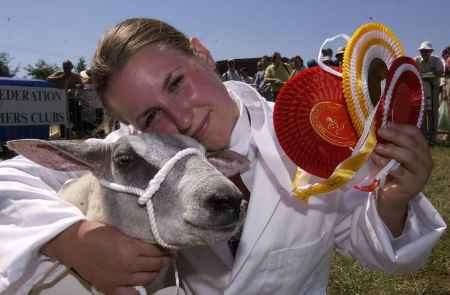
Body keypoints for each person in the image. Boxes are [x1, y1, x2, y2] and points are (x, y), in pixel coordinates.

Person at [0, 18, 446, 295]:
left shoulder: (313, 137)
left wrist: (391, 204)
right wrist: (72, 239)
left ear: (202, 55)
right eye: (151, 115)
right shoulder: (137, 151)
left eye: (176, 83)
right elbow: (9, 184)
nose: (180, 118)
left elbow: (385, 257)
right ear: (132, 125)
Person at [415, 41, 444, 143]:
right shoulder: (416, 60)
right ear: (420, 51)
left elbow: (439, 72)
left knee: (433, 113)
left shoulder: (437, 60)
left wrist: (423, 75)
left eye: (427, 51)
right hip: (422, 90)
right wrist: (429, 75)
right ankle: (423, 136)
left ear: (430, 51)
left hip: (434, 90)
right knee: (422, 112)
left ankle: (432, 137)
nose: (425, 53)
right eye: (423, 51)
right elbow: (415, 73)